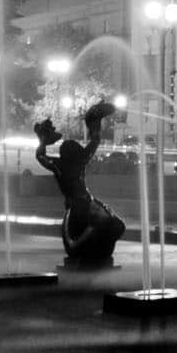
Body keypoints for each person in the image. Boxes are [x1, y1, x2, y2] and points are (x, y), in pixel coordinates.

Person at [34, 101, 125, 265]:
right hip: (80, 204)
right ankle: (95, 243)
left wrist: (42, 142)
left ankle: (97, 244)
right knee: (112, 225)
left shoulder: (61, 164)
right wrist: (94, 123)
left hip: (83, 203)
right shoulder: (76, 162)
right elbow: (95, 141)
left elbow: (41, 157)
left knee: (113, 225)